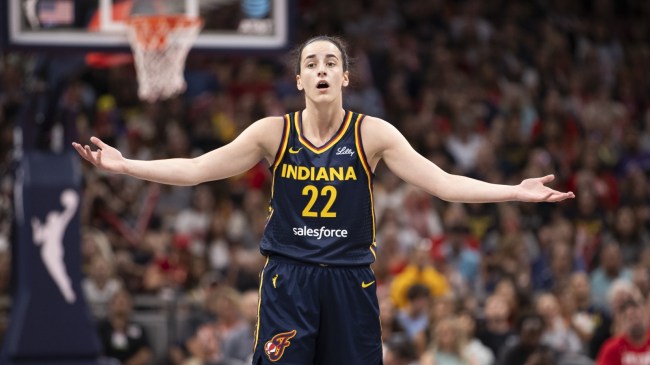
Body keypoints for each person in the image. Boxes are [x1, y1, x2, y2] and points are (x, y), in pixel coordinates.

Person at [73, 35, 574, 364]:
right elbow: (199, 169)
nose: (321, 69)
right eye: (311, 63)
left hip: (349, 280)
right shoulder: (273, 132)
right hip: (288, 279)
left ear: (344, 78)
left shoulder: (372, 134)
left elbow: (442, 182)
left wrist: (515, 191)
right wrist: (126, 165)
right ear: (299, 81)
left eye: (331, 62)